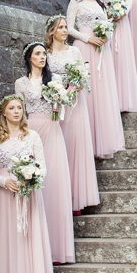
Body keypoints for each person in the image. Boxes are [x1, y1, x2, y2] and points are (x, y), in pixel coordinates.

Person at [0, 94, 56, 273]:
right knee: (9, 247)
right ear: (4, 112)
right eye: (12, 108)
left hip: (29, 196)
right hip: (5, 198)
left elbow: (43, 167)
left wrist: (31, 178)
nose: (16, 111)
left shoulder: (32, 136)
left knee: (30, 245)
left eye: (19, 108)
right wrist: (4, 182)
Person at [15, 42, 75, 265]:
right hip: (31, 132)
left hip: (52, 131)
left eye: (44, 54)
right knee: (36, 184)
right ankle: (36, 248)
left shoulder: (55, 81)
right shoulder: (20, 83)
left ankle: (57, 249)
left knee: (54, 183)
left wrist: (60, 106)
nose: (42, 57)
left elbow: (63, 106)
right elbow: (18, 113)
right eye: (38, 54)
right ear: (29, 57)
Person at [66, 0, 125, 159]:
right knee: (87, 89)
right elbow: (69, 28)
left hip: (101, 50)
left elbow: (106, 24)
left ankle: (104, 140)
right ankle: (86, 141)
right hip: (84, 47)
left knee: (103, 91)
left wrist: (106, 35)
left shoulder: (100, 4)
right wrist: (88, 39)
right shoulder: (75, 3)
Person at [45, 15, 100, 214]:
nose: (65, 30)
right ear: (52, 31)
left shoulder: (75, 51)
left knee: (76, 146)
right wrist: (57, 95)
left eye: (66, 27)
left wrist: (71, 89)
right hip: (57, 106)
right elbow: (45, 81)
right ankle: (62, 199)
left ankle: (79, 199)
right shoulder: (47, 55)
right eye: (61, 27)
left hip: (75, 104)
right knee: (61, 150)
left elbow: (83, 76)